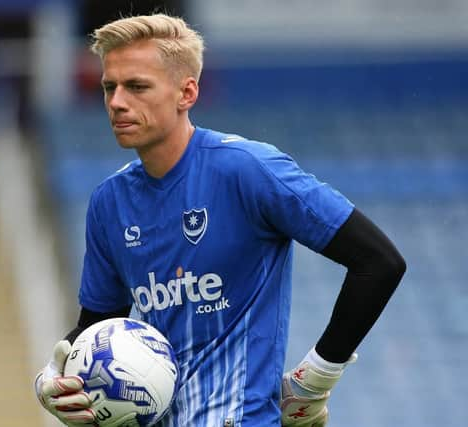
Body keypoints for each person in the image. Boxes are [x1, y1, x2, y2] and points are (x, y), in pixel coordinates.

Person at [34, 13, 406, 427]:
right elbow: (98, 328)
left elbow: (379, 261)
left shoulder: (248, 169)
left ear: (186, 92)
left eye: (137, 86)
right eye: (109, 87)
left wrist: (315, 379)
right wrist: (56, 377)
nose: (117, 102)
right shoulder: (109, 202)